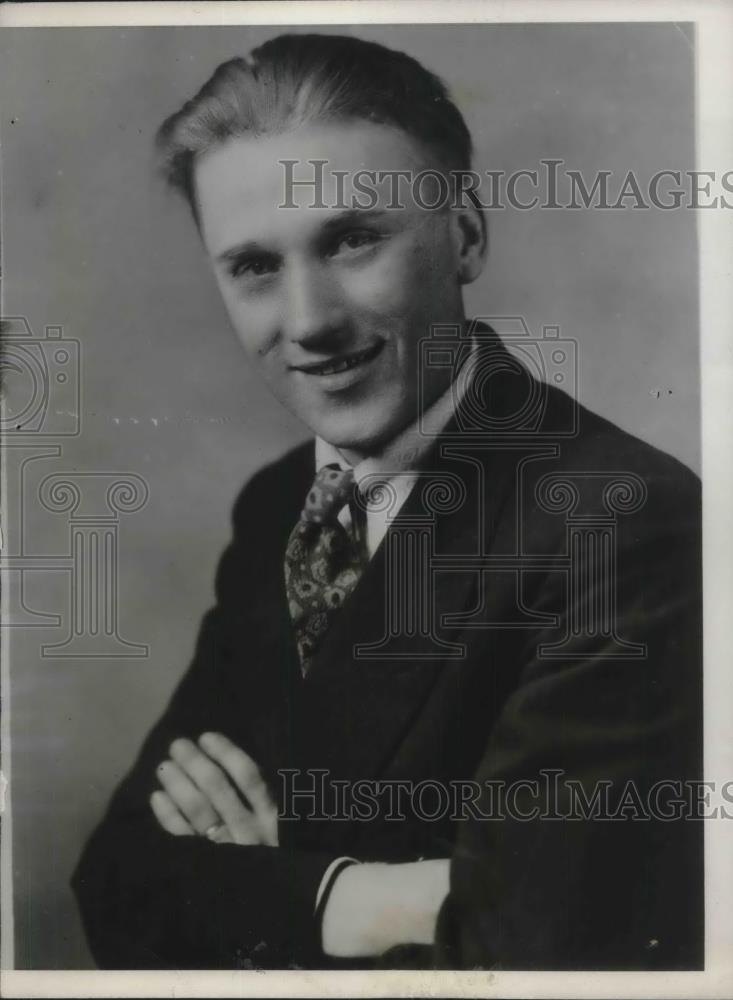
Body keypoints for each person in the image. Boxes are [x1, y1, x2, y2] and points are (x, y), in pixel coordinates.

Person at [71, 33, 703, 971]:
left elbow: (531, 954)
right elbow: (116, 883)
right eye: (253, 266)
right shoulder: (279, 504)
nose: (310, 321)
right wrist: (365, 897)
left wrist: (261, 882)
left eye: (352, 239)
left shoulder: (624, 521)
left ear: (466, 236)